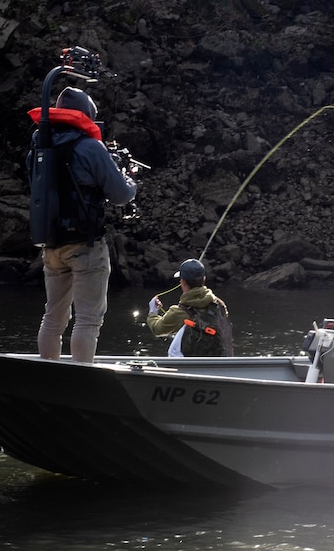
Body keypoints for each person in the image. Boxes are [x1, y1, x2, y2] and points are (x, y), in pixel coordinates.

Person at [27, 86, 137, 363]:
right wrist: (131, 181)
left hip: (51, 244)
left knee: (53, 317)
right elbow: (121, 195)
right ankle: (81, 377)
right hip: (85, 245)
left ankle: (50, 374)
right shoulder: (90, 147)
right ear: (86, 115)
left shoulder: (39, 150)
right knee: (88, 319)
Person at [147, 258, 233, 357]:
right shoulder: (219, 305)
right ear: (204, 279)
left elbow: (157, 329)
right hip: (219, 363)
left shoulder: (179, 312)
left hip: (192, 366)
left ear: (182, 281)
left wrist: (152, 312)